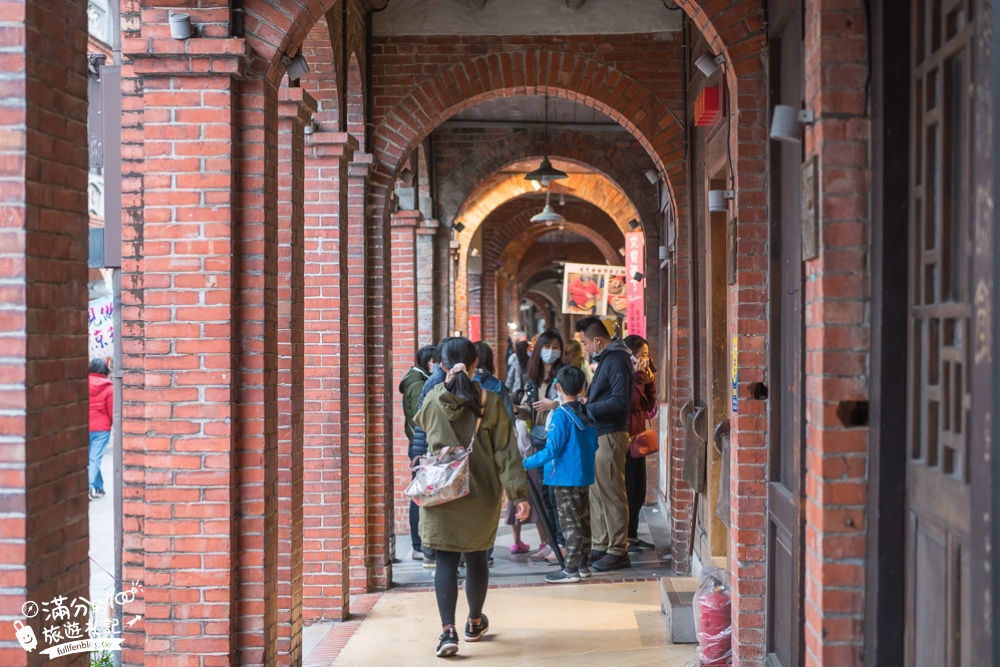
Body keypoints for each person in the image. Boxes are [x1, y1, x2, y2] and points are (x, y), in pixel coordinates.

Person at [414, 337, 531, 658]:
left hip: (442, 492)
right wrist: (518, 494)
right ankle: (474, 622)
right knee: (478, 557)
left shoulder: (434, 398)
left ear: (441, 364)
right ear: (476, 363)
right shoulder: (489, 402)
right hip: (482, 493)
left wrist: (443, 385)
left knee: (446, 561)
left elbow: (419, 425)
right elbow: (507, 452)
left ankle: (447, 631)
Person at [523, 366, 598, 584]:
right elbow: (594, 443)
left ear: (558, 388)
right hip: (583, 475)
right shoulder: (586, 412)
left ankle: (571, 569)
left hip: (564, 478)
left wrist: (526, 462)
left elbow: (551, 450)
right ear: (583, 386)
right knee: (583, 521)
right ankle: (584, 564)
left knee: (570, 523)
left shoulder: (561, 415)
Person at [575, 316, 634, 571]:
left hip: (611, 433)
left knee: (611, 493)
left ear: (597, 340)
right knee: (597, 492)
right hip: (600, 432)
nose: (586, 348)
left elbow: (621, 401)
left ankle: (618, 550)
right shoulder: (607, 359)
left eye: (586, 342)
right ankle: (601, 545)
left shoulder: (618, 360)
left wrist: (589, 407)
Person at [516, 329, 565, 563]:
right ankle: (552, 542)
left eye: (556, 347)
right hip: (539, 441)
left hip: (558, 441)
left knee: (556, 497)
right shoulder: (533, 380)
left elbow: (575, 401)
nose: (551, 351)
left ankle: (562, 544)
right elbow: (528, 408)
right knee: (545, 496)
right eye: (547, 347)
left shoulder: (564, 375)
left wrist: (553, 403)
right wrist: (517, 409)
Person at [410, 336, 455, 568]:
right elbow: (424, 418)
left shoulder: (440, 378)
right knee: (428, 498)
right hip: (428, 447)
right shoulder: (437, 381)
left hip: (427, 446)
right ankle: (426, 549)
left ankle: (429, 548)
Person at [399, 344, 439, 560]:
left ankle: (422, 542)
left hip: (420, 444)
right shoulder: (417, 384)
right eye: (435, 360)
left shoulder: (420, 380)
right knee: (419, 493)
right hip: (420, 446)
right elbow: (420, 417)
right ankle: (417, 544)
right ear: (427, 361)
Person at [623, 335, 657, 554]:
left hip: (638, 438)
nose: (646, 359)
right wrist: (638, 376)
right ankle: (624, 536)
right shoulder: (624, 375)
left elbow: (647, 404)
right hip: (623, 440)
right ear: (631, 357)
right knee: (626, 490)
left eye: (647, 354)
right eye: (642, 355)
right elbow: (632, 402)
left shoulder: (640, 376)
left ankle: (632, 534)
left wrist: (650, 381)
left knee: (638, 489)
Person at [88, 358, 114, 501]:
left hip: (85, 425)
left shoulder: (83, 383)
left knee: (91, 459)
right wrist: (110, 424)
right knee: (94, 458)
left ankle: (99, 487)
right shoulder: (108, 387)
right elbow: (111, 410)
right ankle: (89, 487)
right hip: (101, 428)